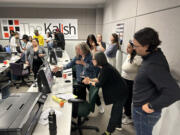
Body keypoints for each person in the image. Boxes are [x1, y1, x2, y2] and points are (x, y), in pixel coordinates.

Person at [132, 27, 180, 135]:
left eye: (136, 46)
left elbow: (174, 92)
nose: (134, 48)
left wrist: (152, 106)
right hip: (141, 110)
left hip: (143, 113)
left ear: (147, 46)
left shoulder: (154, 65)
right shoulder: (152, 55)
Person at [83, 51, 128, 135]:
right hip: (119, 90)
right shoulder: (104, 67)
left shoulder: (106, 69)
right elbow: (99, 79)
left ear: (98, 60)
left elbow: (99, 84)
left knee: (115, 113)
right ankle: (118, 125)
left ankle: (108, 132)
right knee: (117, 110)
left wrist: (88, 82)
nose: (92, 60)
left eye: (93, 59)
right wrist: (90, 79)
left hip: (121, 92)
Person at [121, 40, 142, 125]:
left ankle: (128, 117)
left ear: (134, 48)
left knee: (127, 100)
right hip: (125, 80)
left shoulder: (138, 58)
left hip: (131, 82)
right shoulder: (129, 55)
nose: (127, 48)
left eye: (129, 47)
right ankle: (126, 113)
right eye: (127, 46)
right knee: (124, 99)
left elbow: (144, 68)